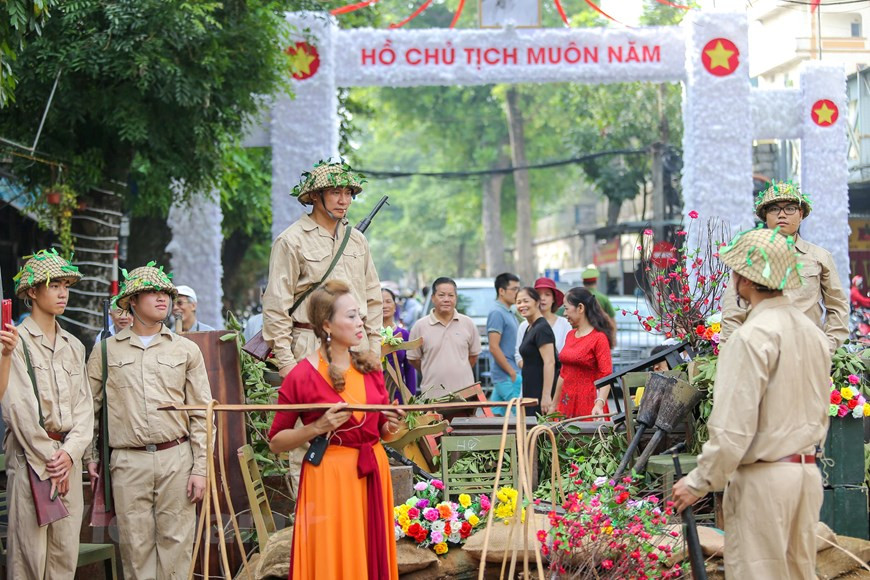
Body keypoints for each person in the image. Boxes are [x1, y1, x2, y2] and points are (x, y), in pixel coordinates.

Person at [672, 227, 831, 579]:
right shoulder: (814, 336)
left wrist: (697, 481)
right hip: (805, 475)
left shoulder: (751, 336)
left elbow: (732, 429)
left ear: (744, 278)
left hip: (764, 481)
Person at [268, 280, 404, 579]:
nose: (361, 322)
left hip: (372, 471)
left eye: (360, 315)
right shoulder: (302, 375)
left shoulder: (370, 368)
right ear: (327, 325)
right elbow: (276, 442)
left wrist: (390, 425)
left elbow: (382, 431)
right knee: (332, 558)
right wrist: (317, 426)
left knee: (370, 556)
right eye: (352, 316)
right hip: (329, 478)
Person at [84, 263, 212, 580]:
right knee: (134, 549)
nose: (162, 299)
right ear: (132, 302)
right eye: (152, 293)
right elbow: (89, 409)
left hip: (176, 459)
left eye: (165, 293)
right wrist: (90, 456)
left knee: (177, 549)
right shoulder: (105, 351)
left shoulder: (187, 350)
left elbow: (200, 412)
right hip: (127, 462)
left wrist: (200, 468)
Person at [3, 249, 93, 579]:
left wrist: (69, 455)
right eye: (53, 285)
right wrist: (50, 459)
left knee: (63, 558)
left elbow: (85, 410)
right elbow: (18, 408)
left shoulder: (74, 345)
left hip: (68, 462)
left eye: (66, 285)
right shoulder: (14, 340)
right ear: (31, 292)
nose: (62, 292)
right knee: (28, 558)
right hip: (31, 462)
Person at [262, 160, 382, 380]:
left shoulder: (358, 241)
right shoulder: (290, 241)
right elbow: (276, 306)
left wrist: (374, 349)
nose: (343, 200)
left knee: (359, 414)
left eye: (348, 193)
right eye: (335, 192)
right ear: (315, 195)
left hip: (358, 347)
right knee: (316, 414)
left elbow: (373, 298)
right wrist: (286, 363)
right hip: (310, 345)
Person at [720, 181, 848, 355]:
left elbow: (838, 306)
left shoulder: (819, 257)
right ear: (765, 216)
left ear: (800, 214)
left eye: (789, 208)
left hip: (808, 354)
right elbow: (732, 313)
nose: (782, 215)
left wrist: (828, 346)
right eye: (774, 209)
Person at [407, 277, 481, 398]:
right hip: (432, 396)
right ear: (433, 298)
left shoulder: (468, 323)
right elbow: (413, 359)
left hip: (465, 395)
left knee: (466, 418)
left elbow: (473, 357)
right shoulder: (420, 326)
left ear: (456, 298)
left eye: (451, 295)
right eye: (441, 295)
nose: (446, 299)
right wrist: (431, 369)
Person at [552, 287, 614, 419]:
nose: (564, 313)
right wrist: (554, 405)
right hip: (566, 402)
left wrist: (599, 404)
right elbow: (563, 374)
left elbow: (606, 375)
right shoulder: (570, 335)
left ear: (580, 308)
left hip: (588, 405)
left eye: (566, 308)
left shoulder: (599, 338)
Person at [516, 287, 557, 417]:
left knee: (539, 434)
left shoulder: (541, 328)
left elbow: (550, 362)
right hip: (530, 390)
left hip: (540, 392)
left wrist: (546, 396)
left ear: (537, 302)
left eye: (525, 301)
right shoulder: (530, 327)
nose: (522, 305)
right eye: (518, 302)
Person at [486, 273, 521, 416]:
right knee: (521, 416)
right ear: (501, 291)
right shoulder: (497, 312)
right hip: (507, 375)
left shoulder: (509, 311)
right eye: (514, 289)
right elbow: (494, 347)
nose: (517, 293)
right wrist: (512, 372)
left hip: (510, 373)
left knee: (495, 415)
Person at [516, 277, 571, 366]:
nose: (542, 298)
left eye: (547, 294)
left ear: (553, 299)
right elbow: (518, 356)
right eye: (538, 294)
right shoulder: (524, 326)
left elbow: (568, 353)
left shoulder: (565, 324)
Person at [381, 288, 417, 399]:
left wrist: (411, 398)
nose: (384, 305)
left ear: (395, 306)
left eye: (388, 301)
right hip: (376, 395)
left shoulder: (404, 334)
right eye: (380, 302)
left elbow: (409, 369)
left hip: (399, 394)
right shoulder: (370, 335)